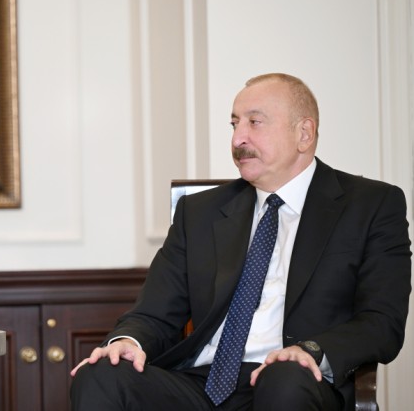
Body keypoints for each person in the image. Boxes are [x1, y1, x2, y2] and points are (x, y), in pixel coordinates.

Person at [70, 73, 412, 411]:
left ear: (304, 134)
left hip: (294, 382)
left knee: (284, 379)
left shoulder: (370, 206)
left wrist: (310, 351)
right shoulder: (200, 212)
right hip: (200, 384)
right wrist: (128, 340)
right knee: (100, 375)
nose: (238, 139)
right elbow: (155, 312)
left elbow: (382, 322)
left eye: (254, 122)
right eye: (234, 124)